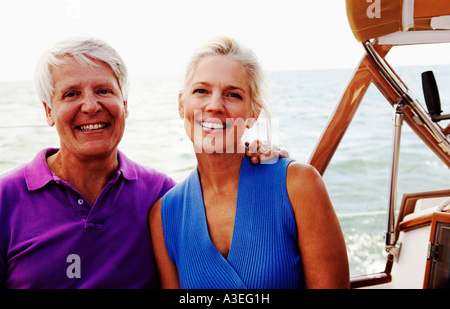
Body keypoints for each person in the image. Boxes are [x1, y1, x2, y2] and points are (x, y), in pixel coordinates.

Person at [0, 37, 282, 289]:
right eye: (71, 94)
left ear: (125, 104)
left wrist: (252, 153)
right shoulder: (5, 200)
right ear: (49, 111)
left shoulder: (159, 196)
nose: (90, 106)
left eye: (104, 91)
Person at [150, 36, 350, 289]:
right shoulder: (164, 216)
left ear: (252, 113)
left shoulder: (299, 185)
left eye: (232, 95)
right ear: (181, 104)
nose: (214, 106)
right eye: (201, 90)